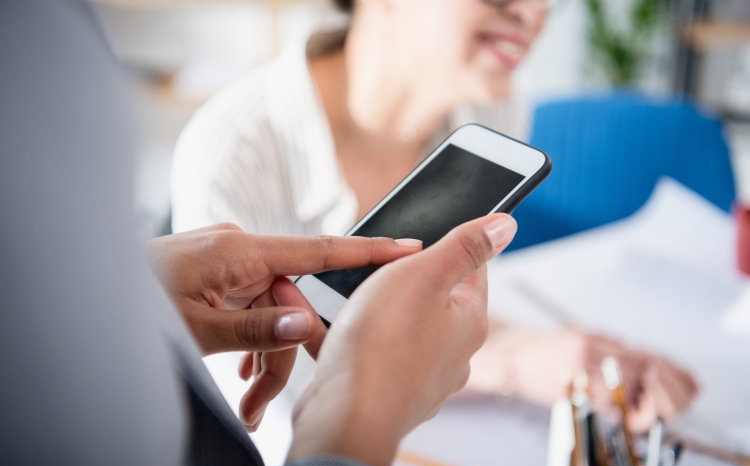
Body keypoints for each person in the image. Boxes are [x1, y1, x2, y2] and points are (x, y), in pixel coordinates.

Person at [0, 0, 517, 466]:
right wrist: (370, 412)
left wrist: (132, 291)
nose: (532, 12)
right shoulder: (231, 149)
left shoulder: (492, 101)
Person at [171, 0, 697, 432]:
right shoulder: (232, 151)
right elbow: (259, 404)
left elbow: (436, 301)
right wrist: (509, 368)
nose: (533, 15)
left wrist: (559, 356)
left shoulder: (493, 112)